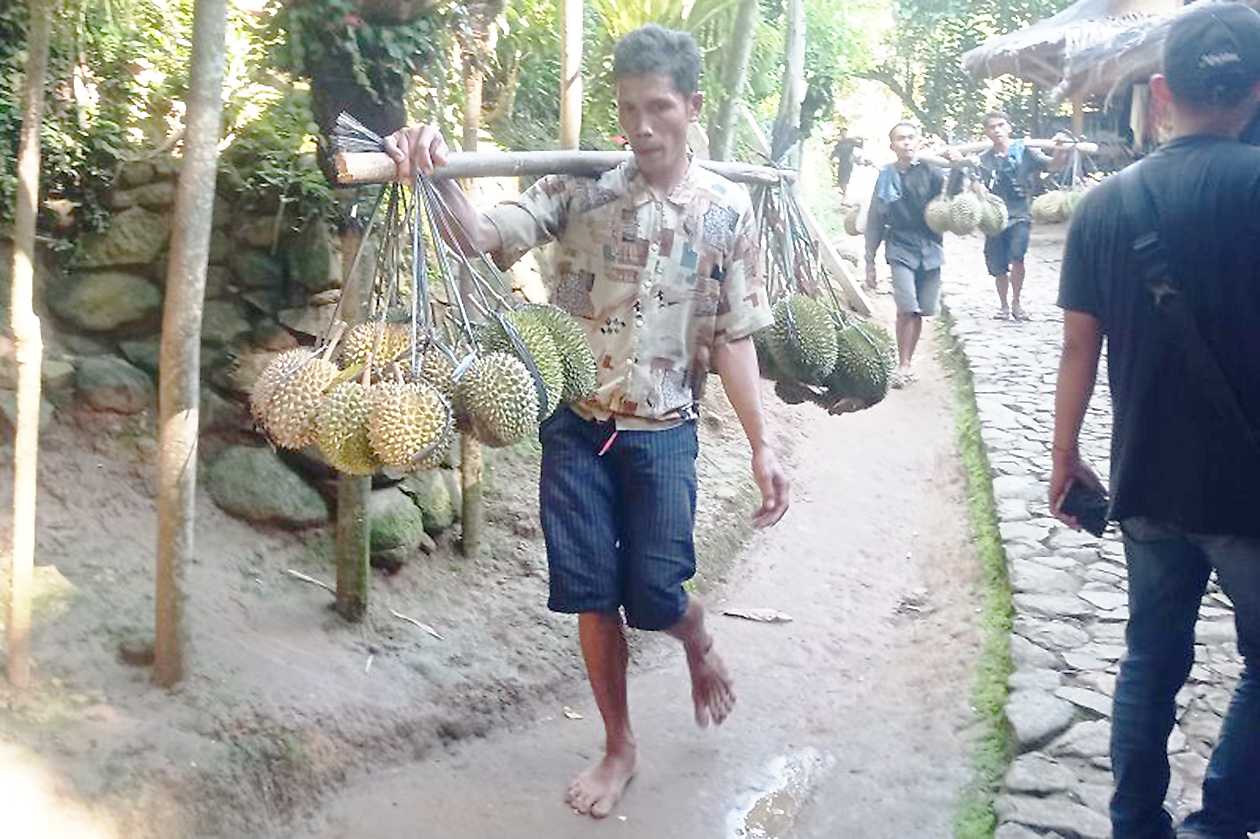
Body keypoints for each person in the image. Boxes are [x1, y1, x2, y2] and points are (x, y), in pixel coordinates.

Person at [385, 24, 791, 820]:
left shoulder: (725, 213)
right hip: (576, 425)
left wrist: (762, 444)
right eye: (629, 109)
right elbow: (477, 238)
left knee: (655, 591)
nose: (642, 126)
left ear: (693, 108)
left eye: (660, 108)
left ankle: (695, 630)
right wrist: (431, 171)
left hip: (664, 430)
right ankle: (618, 743)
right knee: (592, 591)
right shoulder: (580, 190)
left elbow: (734, 337)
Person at [1051, 4, 1260, 837]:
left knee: (1149, 659)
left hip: (1146, 482)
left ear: (1162, 91)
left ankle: (1136, 822)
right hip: (1249, 493)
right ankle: (1221, 822)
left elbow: (1076, 350)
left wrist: (1064, 457)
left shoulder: (1105, 207)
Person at [864, 122, 950, 388]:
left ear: (919, 141)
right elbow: (876, 217)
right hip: (900, 246)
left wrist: (958, 169)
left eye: (911, 138)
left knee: (921, 311)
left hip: (931, 247)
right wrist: (870, 258)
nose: (907, 143)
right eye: (901, 139)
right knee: (906, 308)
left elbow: (952, 201)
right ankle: (903, 365)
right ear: (892, 146)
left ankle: (908, 361)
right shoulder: (886, 175)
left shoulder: (932, 172)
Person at [971, 111, 1069, 321]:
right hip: (994, 217)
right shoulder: (984, 159)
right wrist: (979, 190)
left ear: (1009, 128)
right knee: (997, 265)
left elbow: (1053, 165)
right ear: (986, 132)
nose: (997, 130)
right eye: (992, 127)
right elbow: (975, 180)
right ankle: (1004, 305)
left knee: (1018, 256)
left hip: (1020, 213)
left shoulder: (1026, 152)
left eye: (1000, 125)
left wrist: (1060, 150)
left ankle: (1016, 302)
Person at [830, 131, 864, 199]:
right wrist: (832, 158)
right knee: (840, 177)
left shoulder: (850, 141)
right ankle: (843, 191)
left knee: (845, 178)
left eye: (845, 133)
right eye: (842, 134)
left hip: (848, 162)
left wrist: (861, 139)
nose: (843, 135)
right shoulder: (839, 143)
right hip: (842, 162)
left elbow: (860, 146)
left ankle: (845, 194)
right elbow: (834, 152)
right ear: (840, 135)